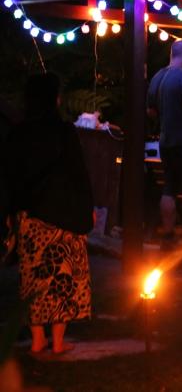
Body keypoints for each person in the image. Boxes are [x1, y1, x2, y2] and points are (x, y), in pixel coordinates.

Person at [5, 73, 93, 355]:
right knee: (63, 279)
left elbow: (10, 177)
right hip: (63, 215)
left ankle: (37, 339)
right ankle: (57, 342)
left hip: (30, 217)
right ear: (54, 99)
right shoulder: (64, 132)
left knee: (34, 279)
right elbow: (79, 174)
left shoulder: (18, 134)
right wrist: (87, 208)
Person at [147, 40, 182, 247]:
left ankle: (168, 235)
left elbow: (150, 111)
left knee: (169, 187)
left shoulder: (157, 77)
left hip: (165, 141)